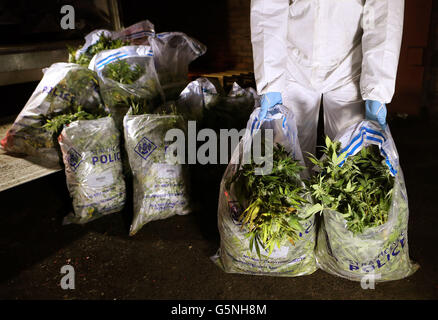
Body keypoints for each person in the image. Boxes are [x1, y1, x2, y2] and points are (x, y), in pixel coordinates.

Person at [251, 0, 405, 159]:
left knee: (349, 155)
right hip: (293, 63)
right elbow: (268, 10)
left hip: (349, 67)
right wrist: (271, 80)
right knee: (287, 154)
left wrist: (377, 90)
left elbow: (384, 14)